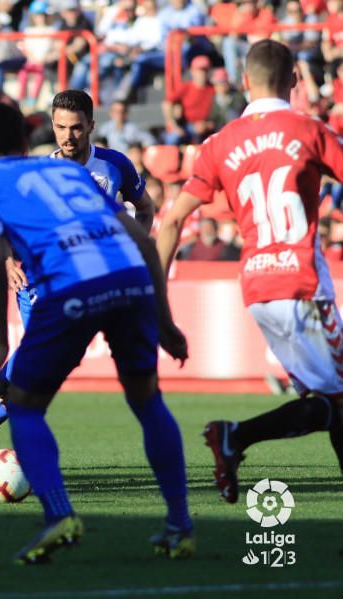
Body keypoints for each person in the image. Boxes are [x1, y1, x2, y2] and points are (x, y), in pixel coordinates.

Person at [0, 102, 191, 563]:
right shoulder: (71, 176)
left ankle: (59, 515)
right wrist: (164, 319)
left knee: (25, 405)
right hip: (129, 280)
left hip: (68, 287)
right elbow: (140, 236)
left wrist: (1, 341)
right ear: (28, 143)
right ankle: (179, 526)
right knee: (147, 401)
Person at [0, 90, 156, 484]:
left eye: (76, 127)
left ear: (91, 127)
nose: (68, 136)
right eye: (61, 127)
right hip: (40, 282)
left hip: (93, 282)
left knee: (24, 389)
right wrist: (9, 260)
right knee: (32, 379)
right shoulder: (40, 172)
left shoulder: (115, 166)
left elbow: (144, 207)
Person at [157, 39, 343, 503]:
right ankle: (234, 436)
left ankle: (234, 438)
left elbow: (174, 220)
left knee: (330, 402)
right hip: (302, 281)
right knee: (338, 399)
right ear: (296, 80)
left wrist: (159, 310)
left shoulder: (219, 143)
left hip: (258, 286)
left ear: (244, 82)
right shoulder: (309, 130)